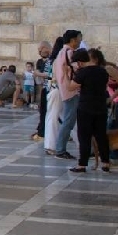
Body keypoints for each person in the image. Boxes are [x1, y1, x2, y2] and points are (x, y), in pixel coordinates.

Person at [70, 47, 113, 173]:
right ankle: (105, 163)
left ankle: (82, 164)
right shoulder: (103, 72)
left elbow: (71, 87)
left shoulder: (83, 72)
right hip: (101, 107)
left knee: (84, 137)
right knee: (101, 136)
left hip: (85, 107)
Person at [45, 31, 82, 159]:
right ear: (72, 40)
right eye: (78, 39)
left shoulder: (61, 53)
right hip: (70, 90)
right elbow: (75, 70)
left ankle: (79, 146)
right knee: (68, 121)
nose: (79, 42)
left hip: (63, 89)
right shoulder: (69, 53)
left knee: (69, 120)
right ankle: (60, 149)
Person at [30, 41, 53, 141]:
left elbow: (50, 74)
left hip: (51, 88)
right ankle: (42, 131)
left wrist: (38, 74)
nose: (39, 53)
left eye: (40, 50)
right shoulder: (41, 61)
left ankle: (43, 133)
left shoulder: (52, 59)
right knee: (44, 111)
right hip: (45, 87)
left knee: (48, 112)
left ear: (45, 48)